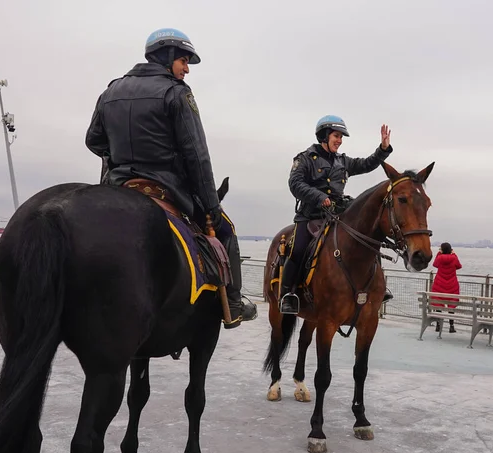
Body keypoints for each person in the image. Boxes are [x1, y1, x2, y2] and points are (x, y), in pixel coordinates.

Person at [85, 28, 257, 329]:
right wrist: (211, 206)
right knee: (226, 229)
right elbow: (197, 156)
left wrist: (119, 157)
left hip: (119, 184)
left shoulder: (110, 90)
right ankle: (232, 304)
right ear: (165, 57)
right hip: (165, 185)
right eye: (183, 60)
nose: (187, 68)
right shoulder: (177, 92)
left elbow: (93, 140)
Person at [279, 115, 394, 314]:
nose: (339, 140)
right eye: (336, 136)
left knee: (369, 239)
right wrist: (319, 196)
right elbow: (295, 184)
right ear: (324, 136)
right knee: (297, 250)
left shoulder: (343, 161)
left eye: (341, 137)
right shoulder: (305, 158)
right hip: (310, 216)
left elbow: (367, 164)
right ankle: (288, 295)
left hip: (337, 215)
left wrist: (382, 150)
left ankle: (377, 286)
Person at [431, 242, 462, 333]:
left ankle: (438, 325)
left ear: (442, 250)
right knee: (451, 305)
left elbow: (435, 264)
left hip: (439, 284)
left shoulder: (439, 258)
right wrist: (454, 254)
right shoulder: (454, 258)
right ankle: (451, 326)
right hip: (452, 285)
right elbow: (459, 266)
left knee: (438, 303)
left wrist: (439, 253)